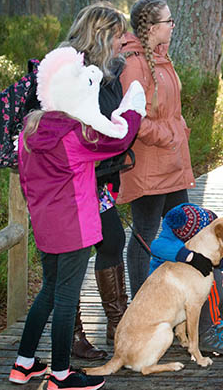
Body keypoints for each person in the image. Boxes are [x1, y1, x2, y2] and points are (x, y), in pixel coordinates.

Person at [8, 46, 145, 390]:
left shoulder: (30, 129)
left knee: (49, 292)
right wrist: (132, 111)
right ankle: (61, 374)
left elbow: (26, 181)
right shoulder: (75, 134)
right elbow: (119, 140)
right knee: (67, 297)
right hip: (75, 225)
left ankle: (23, 364)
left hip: (45, 224)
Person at [58, 1, 131, 358]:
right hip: (70, 181)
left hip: (98, 179)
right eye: (119, 35)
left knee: (112, 238)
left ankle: (120, 324)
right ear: (101, 35)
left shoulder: (108, 70)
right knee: (71, 256)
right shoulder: (71, 71)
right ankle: (73, 336)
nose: (124, 41)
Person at [117, 0, 196, 298]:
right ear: (151, 28)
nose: (173, 26)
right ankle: (140, 305)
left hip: (172, 163)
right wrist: (168, 136)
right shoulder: (133, 64)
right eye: (168, 21)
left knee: (185, 228)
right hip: (148, 166)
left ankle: (172, 298)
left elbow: (169, 110)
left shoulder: (162, 58)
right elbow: (131, 118)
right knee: (145, 236)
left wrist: (180, 131)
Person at [148, 203, 223, 355]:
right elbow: (157, 246)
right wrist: (190, 256)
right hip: (171, 295)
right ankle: (208, 333)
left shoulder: (206, 230)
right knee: (212, 275)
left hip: (196, 291)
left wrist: (219, 261)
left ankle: (199, 318)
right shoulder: (172, 237)